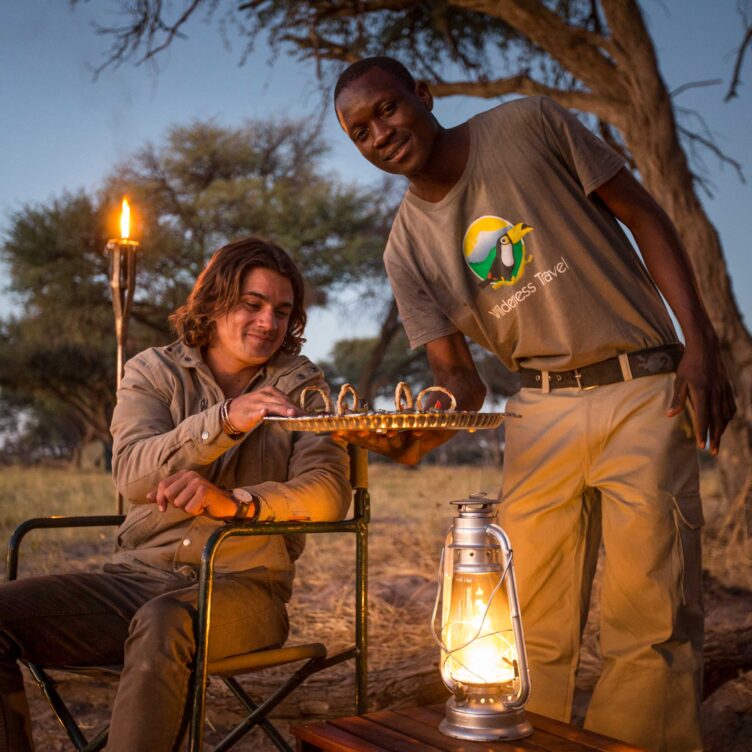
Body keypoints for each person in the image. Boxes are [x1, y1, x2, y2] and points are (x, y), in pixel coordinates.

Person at [333, 56, 736, 751]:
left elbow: (645, 215)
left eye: (388, 110)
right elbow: (460, 380)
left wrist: (698, 344)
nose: (381, 134)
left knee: (650, 614)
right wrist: (416, 432)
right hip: (539, 409)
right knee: (522, 621)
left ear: (423, 94)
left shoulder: (527, 123)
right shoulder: (406, 248)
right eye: (360, 132)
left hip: (641, 386)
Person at [0, 237, 351, 751]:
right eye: (251, 305)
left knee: (165, 622)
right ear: (213, 302)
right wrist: (225, 422)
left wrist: (238, 504)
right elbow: (132, 476)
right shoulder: (151, 372)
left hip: (245, 589)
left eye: (281, 310)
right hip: (135, 579)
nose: (268, 322)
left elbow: (327, 493)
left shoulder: (303, 389)